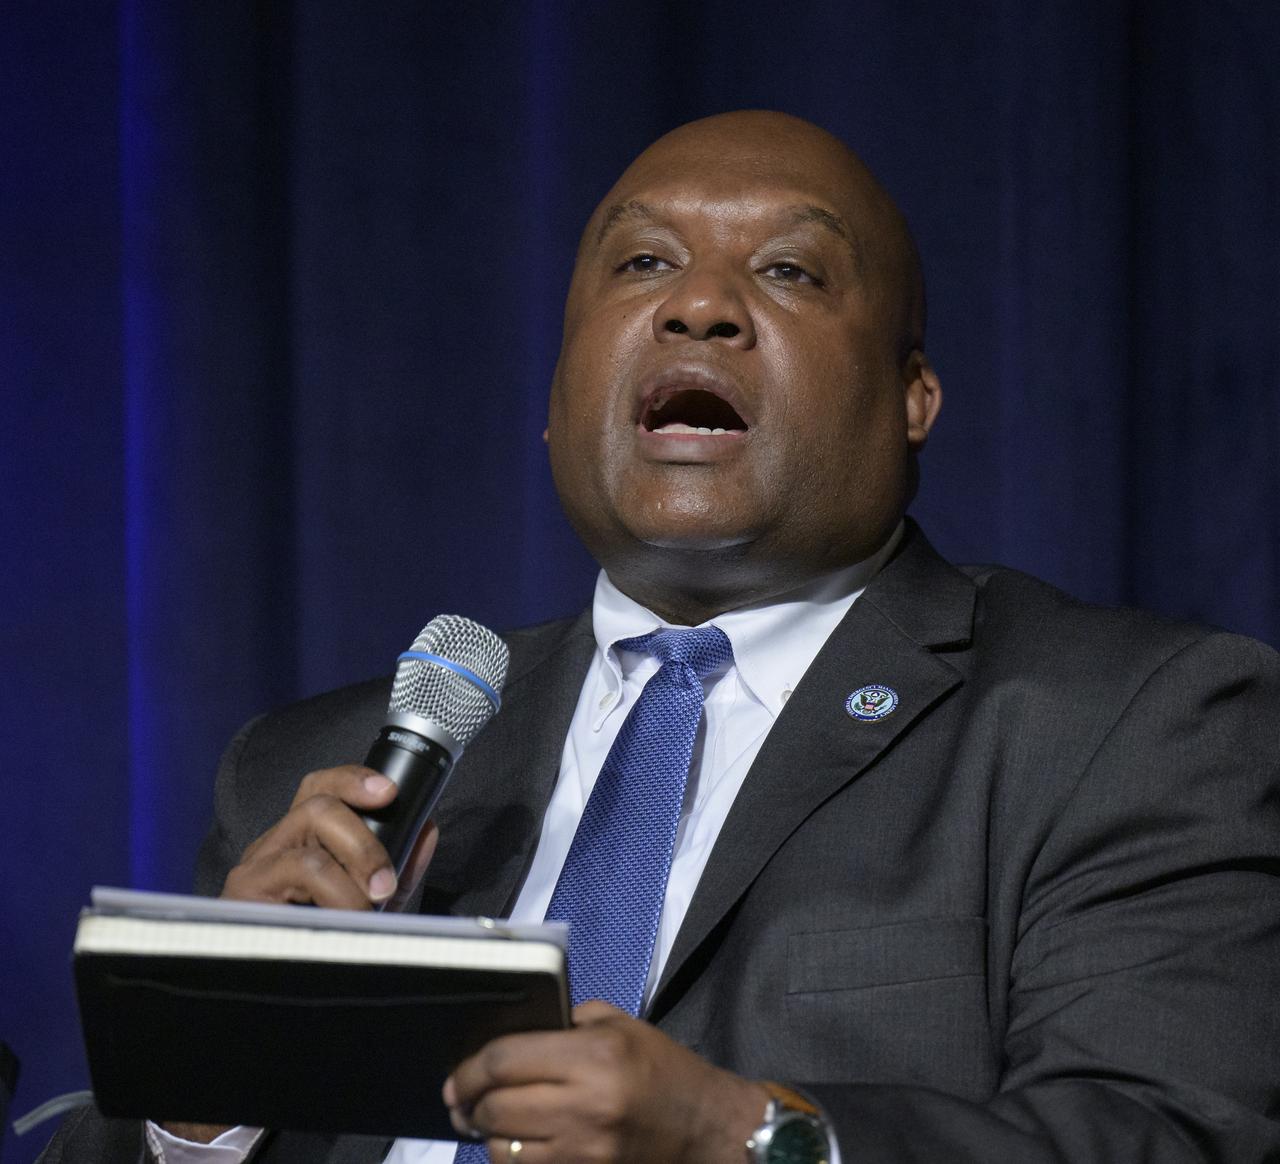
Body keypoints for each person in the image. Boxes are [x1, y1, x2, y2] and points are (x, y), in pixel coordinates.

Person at [42, 110, 1280, 1163]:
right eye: (640, 266)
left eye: (789, 273)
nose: (698, 306)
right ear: (554, 400)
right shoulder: (306, 766)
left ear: (914, 398)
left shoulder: (1127, 724)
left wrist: (746, 1138)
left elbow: (1164, 1134)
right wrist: (202, 1103)